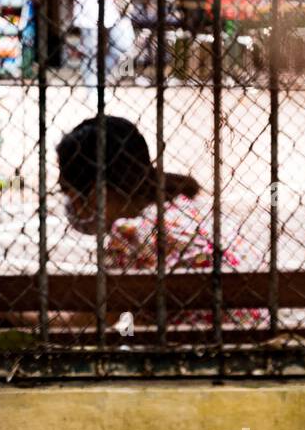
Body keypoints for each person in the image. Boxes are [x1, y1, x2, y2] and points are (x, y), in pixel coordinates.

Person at [56, 116, 260, 327]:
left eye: (68, 191)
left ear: (98, 193)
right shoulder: (189, 206)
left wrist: (21, 318)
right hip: (254, 337)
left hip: (194, 351)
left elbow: (90, 322)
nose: (72, 204)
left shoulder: (128, 233)